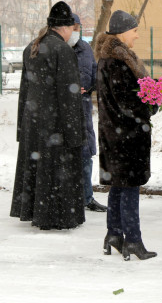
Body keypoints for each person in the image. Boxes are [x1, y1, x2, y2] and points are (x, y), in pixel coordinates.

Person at [10, 1, 86, 230]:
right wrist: (75, 134)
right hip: (55, 125)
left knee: (37, 167)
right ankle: (53, 216)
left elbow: (24, 91)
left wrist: (22, 128)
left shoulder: (31, 47)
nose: (74, 33)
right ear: (64, 27)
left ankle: (35, 210)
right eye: (73, 28)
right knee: (54, 171)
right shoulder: (63, 50)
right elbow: (69, 95)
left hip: (33, 122)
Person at [95, 10, 157, 261]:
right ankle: (133, 240)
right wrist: (150, 104)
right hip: (126, 135)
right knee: (129, 187)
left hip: (114, 134)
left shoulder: (107, 59)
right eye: (134, 30)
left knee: (119, 187)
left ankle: (113, 233)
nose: (137, 35)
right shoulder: (119, 62)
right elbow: (128, 102)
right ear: (122, 32)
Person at [68, 13, 107, 213]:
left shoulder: (85, 48)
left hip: (83, 110)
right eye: (72, 28)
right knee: (66, 155)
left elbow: (93, 73)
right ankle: (68, 198)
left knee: (86, 154)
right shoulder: (58, 48)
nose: (75, 32)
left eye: (78, 28)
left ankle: (86, 197)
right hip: (64, 112)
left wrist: (89, 87)